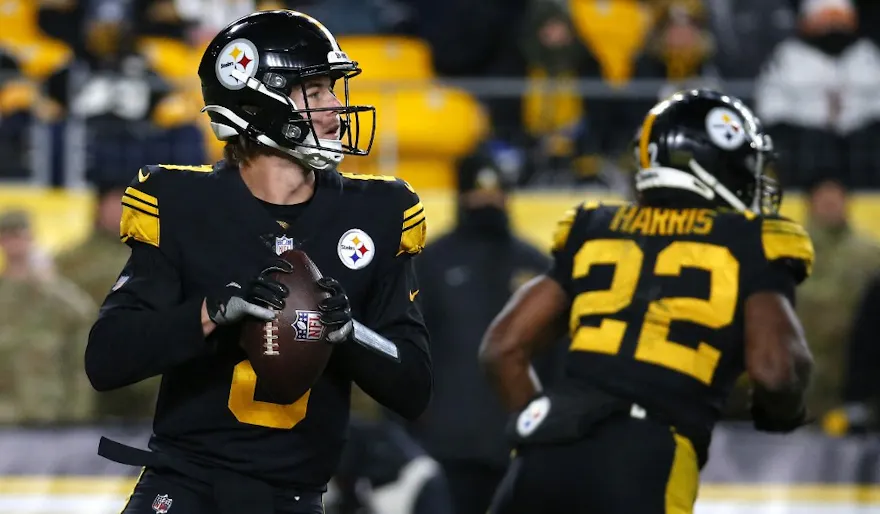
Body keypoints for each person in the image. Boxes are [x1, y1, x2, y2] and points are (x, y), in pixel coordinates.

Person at [84, 10, 432, 514]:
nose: (335, 107)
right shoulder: (182, 204)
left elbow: (415, 388)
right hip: (185, 487)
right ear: (255, 100)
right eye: (314, 92)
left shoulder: (377, 213)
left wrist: (351, 332)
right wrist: (213, 311)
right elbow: (107, 359)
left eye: (333, 90)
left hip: (295, 498)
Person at [479, 89, 815, 514]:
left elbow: (502, 348)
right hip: (646, 453)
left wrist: (544, 429)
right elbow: (774, 369)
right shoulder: (752, 240)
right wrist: (783, 412)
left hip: (544, 445)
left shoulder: (595, 226)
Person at [410, 148, 561, 514]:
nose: (488, 200)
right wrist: (417, 423)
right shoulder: (430, 262)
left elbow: (559, 353)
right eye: (479, 191)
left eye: (495, 191)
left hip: (519, 439)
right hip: (445, 442)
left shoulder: (537, 264)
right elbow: (406, 345)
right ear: (461, 195)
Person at [0, 210, 96, 424]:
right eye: (8, 236)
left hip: (50, 413)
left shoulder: (58, 295)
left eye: (19, 234)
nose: (14, 243)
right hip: (6, 416)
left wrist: (77, 415)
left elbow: (80, 354)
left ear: (31, 238)